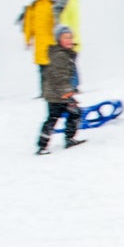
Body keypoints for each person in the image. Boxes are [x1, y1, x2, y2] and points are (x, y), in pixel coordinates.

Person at [36, 25, 85, 154]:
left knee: (73, 113)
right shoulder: (59, 55)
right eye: (65, 37)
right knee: (54, 117)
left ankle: (68, 139)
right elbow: (59, 76)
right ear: (59, 39)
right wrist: (67, 93)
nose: (69, 40)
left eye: (70, 37)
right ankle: (43, 146)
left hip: (59, 92)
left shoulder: (65, 54)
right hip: (56, 94)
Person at [22, 0, 55, 96]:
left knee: (54, 68)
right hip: (39, 43)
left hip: (52, 41)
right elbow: (28, 24)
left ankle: (55, 90)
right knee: (42, 69)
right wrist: (27, 39)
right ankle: (44, 91)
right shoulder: (33, 6)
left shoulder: (52, 4)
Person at [52, 0, 81, 91]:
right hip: (62, 37)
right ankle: (70, 85)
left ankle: (74, 85)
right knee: (66, 63)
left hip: (70, 36)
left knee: (70, 63)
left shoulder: (71, 1)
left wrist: (71, 37)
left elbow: (74, 21)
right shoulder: (58, 3)